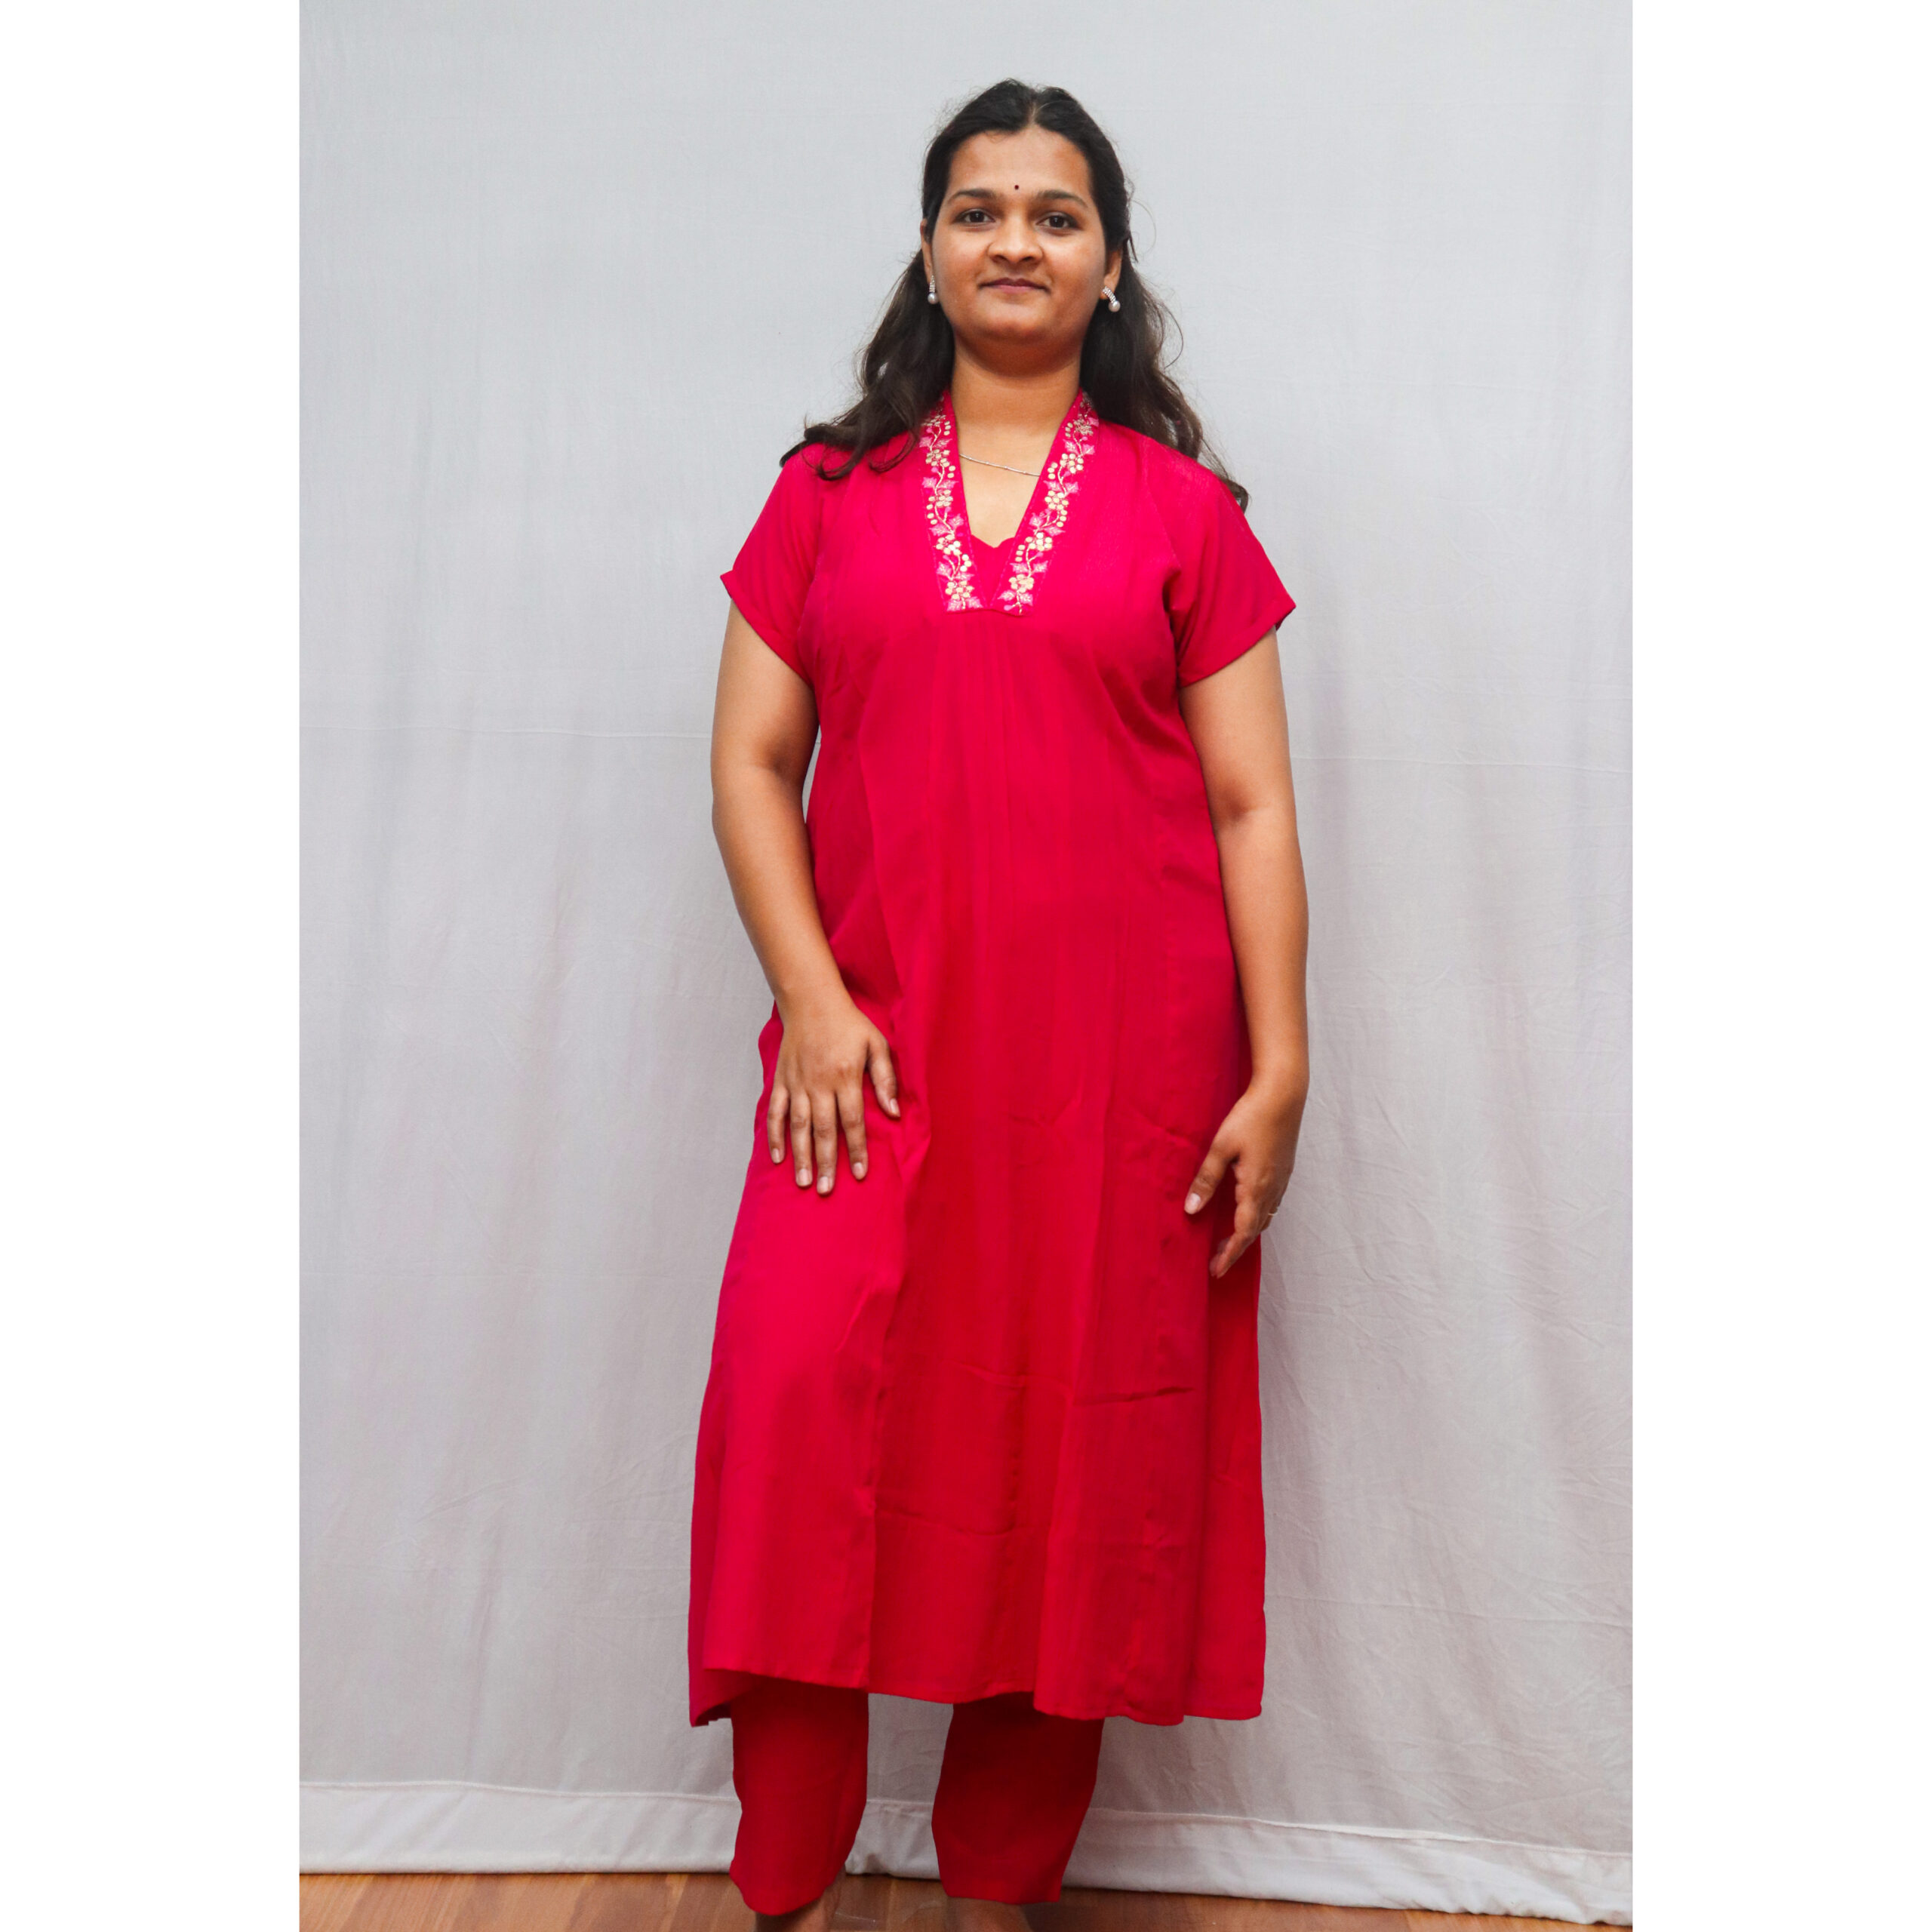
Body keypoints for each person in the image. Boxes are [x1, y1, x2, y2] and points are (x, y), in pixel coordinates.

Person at [689, 78, 1309, 1932]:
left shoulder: (1185, 515)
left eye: (1054, 213)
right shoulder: (824, 499)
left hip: (1119, 1077)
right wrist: (809, 998)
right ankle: (782, 1878)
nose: (1013, 241)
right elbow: (748, 762)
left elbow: (1251, 803)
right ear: (929, 249)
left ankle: (994, 1887)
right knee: (799, 1416)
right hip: (865, 1060)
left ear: (1109, 263)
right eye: (978, 209)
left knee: (1065, 1456)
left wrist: (1280, 1062)